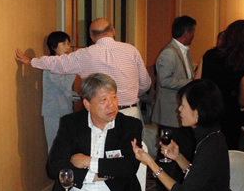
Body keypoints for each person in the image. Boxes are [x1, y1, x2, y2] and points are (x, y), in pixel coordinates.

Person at [15, 18, 151, 120]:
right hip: (130, 113)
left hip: (100, 114)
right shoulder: (131, 50)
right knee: (132, 149)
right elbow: (145, 83)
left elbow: (58, 63)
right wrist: (131, 93)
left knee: (100, 148)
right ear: (113, 31)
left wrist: (31, 61)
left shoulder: (85, 55)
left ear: (92, 37)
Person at [132, 79, 232, 191]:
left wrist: (151, 163)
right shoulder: (210, 136)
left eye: (183, 106)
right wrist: (178, 157)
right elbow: (198, 177)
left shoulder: (211, 145)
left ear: (197, 113)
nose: (178, 109)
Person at [47, 73, 143, 191]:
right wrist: (91, 177)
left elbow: (129, 166)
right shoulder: (71, 124)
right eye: (103, 100)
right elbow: (55, 166)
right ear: (87, 104)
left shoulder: (129, 126)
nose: (111, 105)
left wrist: (88, 161)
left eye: (114, 97)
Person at [151, 15, 197, 191]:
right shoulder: (168, 53)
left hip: (180, 113)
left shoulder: (184, 51)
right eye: (193, 31)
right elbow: (164, 80)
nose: (194, 35)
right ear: (187, 32)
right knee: (166, 157)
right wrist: (191, 82)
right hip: (169, 114)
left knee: (181, 152)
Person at [196, 19, 244, 149]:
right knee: (227, 154)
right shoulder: (243, 64)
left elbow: (196, 83)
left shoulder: (209, 55)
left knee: (204, 150)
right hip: (229, 117)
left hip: (206, 112)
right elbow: (243, 101)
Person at [42, 31, 77, 152]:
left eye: (68, 43)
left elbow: (64, 90)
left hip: (64, 110)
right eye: (63, 44)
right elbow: (64, 85)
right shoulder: (52, 63)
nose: (67, 47)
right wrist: (74, 68)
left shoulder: (62, 64)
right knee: (55, 148)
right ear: (53, 46)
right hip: (54, 112)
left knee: (66, 147)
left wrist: (76, 95)